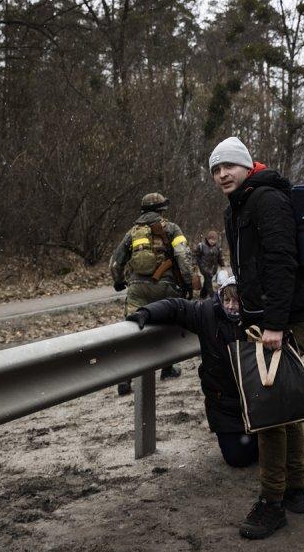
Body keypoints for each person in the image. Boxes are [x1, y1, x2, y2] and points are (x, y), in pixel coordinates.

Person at [210, 136, 304, 540]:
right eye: (216, 170)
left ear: (245, 165)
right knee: (283, 398)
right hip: (264, 315)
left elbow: (281, 262)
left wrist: (273, 323)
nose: (222, 174)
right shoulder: (235, 208)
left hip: (284, 318)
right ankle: (296, 488)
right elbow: (251, 267)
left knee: (269, 408)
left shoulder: (267, 199)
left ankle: (272, 502)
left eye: (229, 166)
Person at [126, 277, 258, 467]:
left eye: (236, 301)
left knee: (269, 449)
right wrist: (146, 312)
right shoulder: (207, 313)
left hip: (256, 399)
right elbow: (176, 307)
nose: (231, 306)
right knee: (237, 458)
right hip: (224, 404)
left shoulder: (257, 316)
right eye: (226, 300)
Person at [110, 193, 193, 393]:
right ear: (162, 209)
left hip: (137, 287)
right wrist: (188, 282)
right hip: (166, 287)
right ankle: (167, 368)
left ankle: (126, 379)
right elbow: (182, 255)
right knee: (166, 325)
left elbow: (116, 262)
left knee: (132, 330)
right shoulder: (172, 228)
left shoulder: (132, 233)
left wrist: (119, 281)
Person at [193, 231, 225, 299]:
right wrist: (194, 264)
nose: (213, 242)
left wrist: (222, 265)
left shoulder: (217, 247)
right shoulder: (201, 246)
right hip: (204, 267)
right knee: (208, 281)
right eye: (211, 240)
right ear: (207, 239)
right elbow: (195, 255)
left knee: (207, 281)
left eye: (214, 240)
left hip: (213, 268)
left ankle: (202, 295)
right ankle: (212, 297)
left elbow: (220, 257)